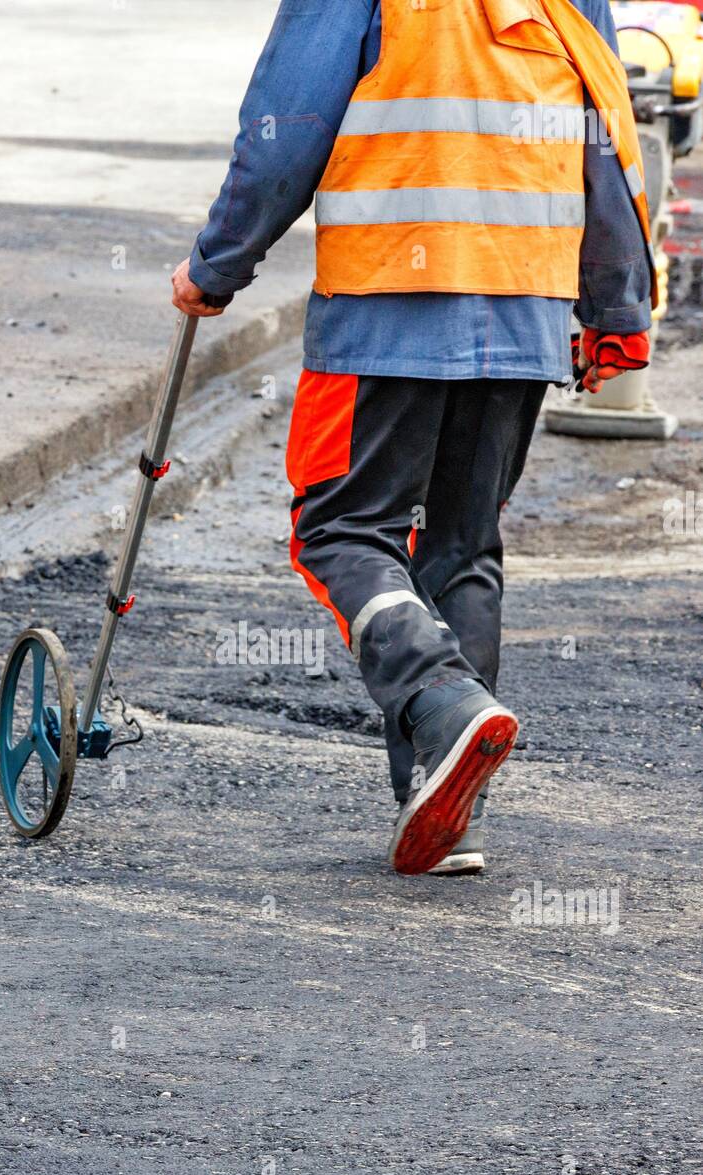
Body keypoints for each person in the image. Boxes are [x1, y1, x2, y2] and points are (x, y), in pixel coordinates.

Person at [171, 0, 655, 876]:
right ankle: (446, 809)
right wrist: (615, 302)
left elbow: (288, 129)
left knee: (339, 528)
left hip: (392, 296)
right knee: (461, 547)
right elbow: (606, 127)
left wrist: (217, 262)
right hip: (525, 301)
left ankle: (439, 698)